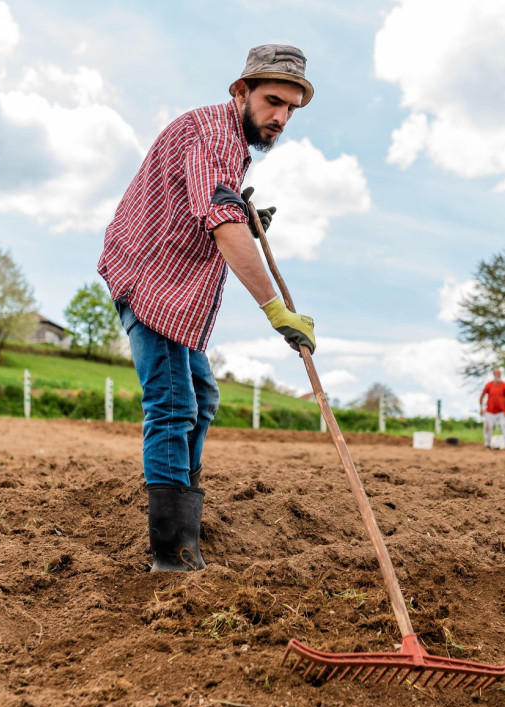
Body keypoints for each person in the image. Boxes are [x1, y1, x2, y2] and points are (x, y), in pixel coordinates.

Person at [97, 45, 317, 572]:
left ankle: (183, 527)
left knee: (200, 394)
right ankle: (171, 555)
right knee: (173, 405)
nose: (281, 117)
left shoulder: (227, 144)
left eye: (291, 108)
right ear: (239, 91)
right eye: (272, 101)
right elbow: (220, 224)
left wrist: (241, 209)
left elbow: (211, 205)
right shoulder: (214, 134)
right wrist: (274, 309)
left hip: (168, 283)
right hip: (156, 282)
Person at [479, 367, 505, 449]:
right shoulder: (489, 385)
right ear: (494, 374)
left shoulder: (504, 385)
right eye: (497, 373)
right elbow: (482, 396)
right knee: (487, 427)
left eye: (499, 374)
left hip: (501, 411)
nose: (498, 375)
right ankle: (487, 444)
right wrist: (481, 408)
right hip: (490, 411)